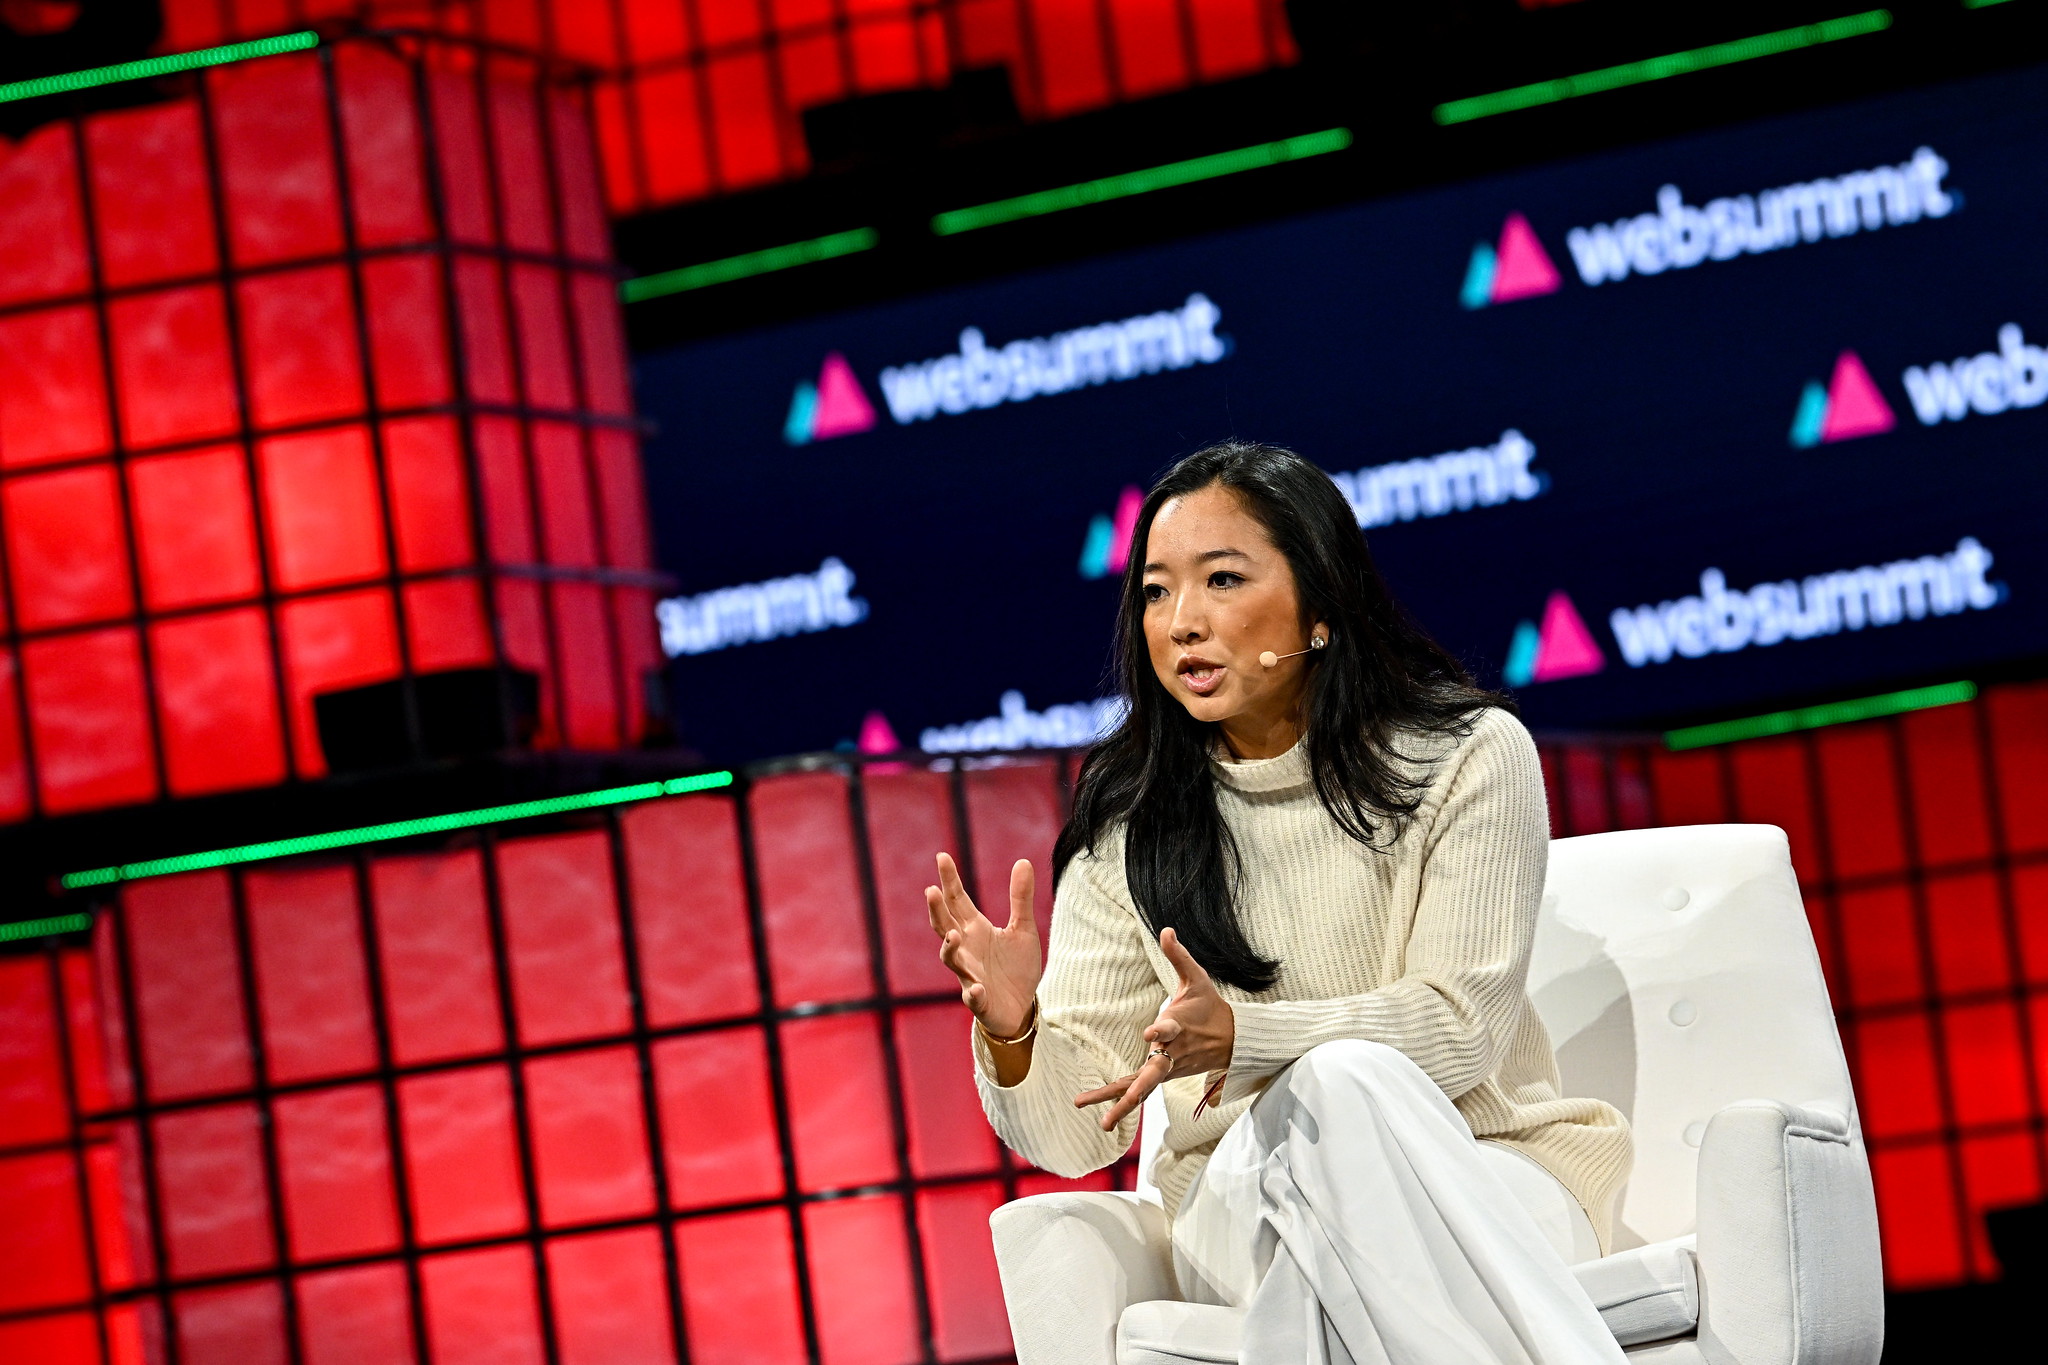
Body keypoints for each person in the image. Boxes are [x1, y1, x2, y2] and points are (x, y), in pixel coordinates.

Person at [924, 442, 1634, 1363]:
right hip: (1242, 1197)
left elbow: (1460, 1028)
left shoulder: (1467, 756)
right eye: (1154, 591)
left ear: (1322, 605)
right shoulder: (1129, 825)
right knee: (1317, 1137)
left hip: (1486, 1170)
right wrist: (1017, 1034)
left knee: (1341, 1099)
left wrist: (1248, 1039)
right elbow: (1073, 1133)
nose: (1181, 622)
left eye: (1221, 579)